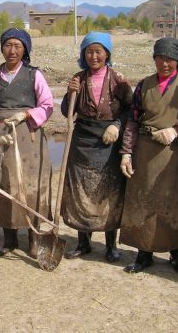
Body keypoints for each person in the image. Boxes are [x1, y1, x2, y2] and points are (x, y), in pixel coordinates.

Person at [119, 37, 178, 273]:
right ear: (154, 58)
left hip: (175, 155)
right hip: (145, 153)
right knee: (144, 200)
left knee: (174, 201)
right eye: (160, 57)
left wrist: (177, 130)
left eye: (170, 58)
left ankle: (176, 253)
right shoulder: (144, 85)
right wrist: (126, 153)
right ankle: (144, 253)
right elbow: (133, 122)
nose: (165, 63)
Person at [0, 28, 53, 259]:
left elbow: (47, 105)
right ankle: (8, 239)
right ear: (2, 48)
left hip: (28, 136)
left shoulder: (34, 75)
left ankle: (33, 237)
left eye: (17, 46)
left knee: (30, 185)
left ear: (25, 50)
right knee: (5, 184)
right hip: (1, 137)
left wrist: (27, 115)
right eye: (8, 45)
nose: (12, 51)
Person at [60, 32, 132, 262]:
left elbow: (131, 110)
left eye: (98, 51)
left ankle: (111, 245)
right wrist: (70, 93)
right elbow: (67, 112)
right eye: (89, 52)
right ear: (83, 55)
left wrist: (117, 126)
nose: (93, 56)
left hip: (109, 143)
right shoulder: (78, 79)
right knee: (81, 193)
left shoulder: (119, 80)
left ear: (107, 54)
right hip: (82, 143)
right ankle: (83, 243)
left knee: (109, 193)